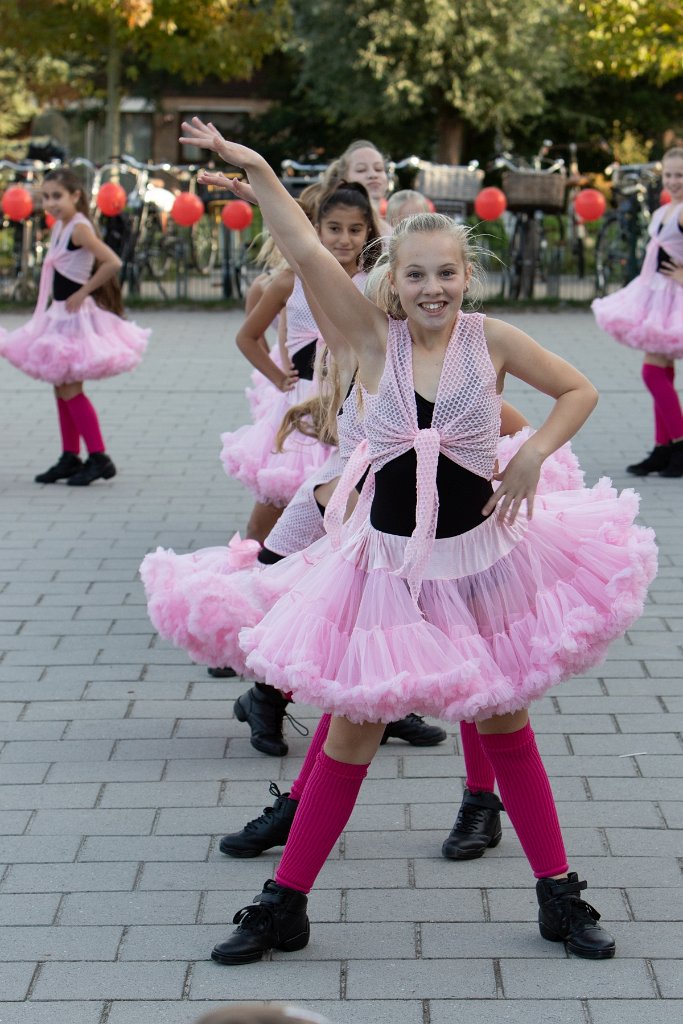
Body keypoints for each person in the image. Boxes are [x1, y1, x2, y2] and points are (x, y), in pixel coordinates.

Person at [179, 118, 657, 965]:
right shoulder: (370, 342)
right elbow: (307, 248)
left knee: (506, 725)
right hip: (386, 571)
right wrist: (253, 169)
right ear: (389, 283)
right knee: (350, 734)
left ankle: (558, 895)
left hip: (480, 566)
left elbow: (579, 389)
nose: (432, 287)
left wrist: (533, 454)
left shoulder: (491, 341)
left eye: (446, 273)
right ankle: (284, 904)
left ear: (466, 277)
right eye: (415, 274)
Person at [0, 168, 149, 485]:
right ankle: (70, 455)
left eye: (57, 196)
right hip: (58, 316)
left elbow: (112, 262)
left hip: (74, 319)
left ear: (76, 196)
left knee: (71, 388)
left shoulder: (79, 228)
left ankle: (98, 456)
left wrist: (84, 291)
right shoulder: (61, 226)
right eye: (46, 197)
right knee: (60, 386)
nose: (50, 204)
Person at [592, 147, 683, 478]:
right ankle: (664, 447)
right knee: (662, 372)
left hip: (672, 298)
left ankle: (678, 443)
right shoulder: (666, 211)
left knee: (652, 373)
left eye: (680, 175)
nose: (674, 181)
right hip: (655, 295)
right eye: (670, 175)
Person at [323, 139, 391, 233]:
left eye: (378, 169)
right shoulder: (329, 224)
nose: (373, 175)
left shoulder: (394, 228)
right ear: (343, 178)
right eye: (361, 170)